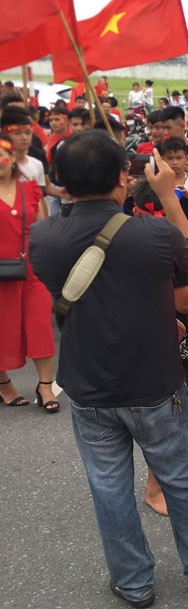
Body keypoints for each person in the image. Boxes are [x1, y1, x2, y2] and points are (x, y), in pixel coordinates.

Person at [29, 131, 188, 607]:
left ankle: (134, 582)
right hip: (155, 381)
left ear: (60, 181)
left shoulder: (42, 237)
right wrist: (165, 196)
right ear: (124, 177)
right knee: (181, 478)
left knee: (109, 487)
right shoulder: (153, 233)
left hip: (88, 386)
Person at [0, 133, 57, 411]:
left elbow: (44, 228)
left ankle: (45, 386)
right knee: (2, 330)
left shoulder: (30, 189)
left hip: (33, 273)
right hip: (0, 277)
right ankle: (4, 385)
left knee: (40, 326)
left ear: (12, 159)